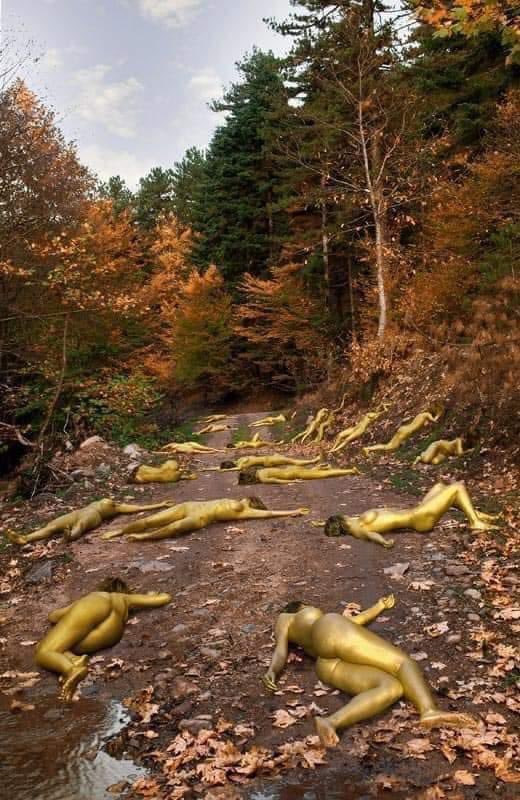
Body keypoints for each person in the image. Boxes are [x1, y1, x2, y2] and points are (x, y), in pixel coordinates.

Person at [263, 597, 478, 747]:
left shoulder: (297, 628)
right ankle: (429, 711)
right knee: (402, 663)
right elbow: (280, 650)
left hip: (325, 664)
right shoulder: (285, 617)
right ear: (300, 606)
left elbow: (354, 623)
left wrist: (378, 607)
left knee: (392, 688)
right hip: (331, 630)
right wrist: (272, 670)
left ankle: (331, 722)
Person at [35, 578, 171, 701]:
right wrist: (153, 595)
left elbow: (53, 617)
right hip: (113, 632)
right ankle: (75, 660)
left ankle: (70, 669)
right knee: (57, 647)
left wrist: (70, 609)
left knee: (43, 651)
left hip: (94, 606)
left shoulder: (97, 596)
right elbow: (164, 599)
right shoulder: (125, 599)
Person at [323, 481, 499, 548]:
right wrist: (384, 542)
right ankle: (475, 521)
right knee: (457, 487)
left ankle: (477, 514)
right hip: (419, 518)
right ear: (341, 521)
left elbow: (362, 524)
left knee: (438, 487)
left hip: (416, 512)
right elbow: (371, 534)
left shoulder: (355, 522)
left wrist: (319, 524)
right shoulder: (360, 528)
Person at [101, 497, 310, 542]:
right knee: (151, 519)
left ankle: (143, 538)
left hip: (201, 517)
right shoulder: (236, 500)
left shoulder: (245, 511)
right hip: (186, 505)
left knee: (174, 528)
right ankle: (120, 531)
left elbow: (269, 513)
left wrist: (293, 511)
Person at [5, 498, 172, 545]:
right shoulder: (103, 501)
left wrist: (160, 504)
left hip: (94, 514)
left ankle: (71, 536)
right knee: (52, 525)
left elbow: (136, 507)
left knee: (81, 525)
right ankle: (25, 538)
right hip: (79, 511)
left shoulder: (117, 506)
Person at [363, 410, 442, 455]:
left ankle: (370, 449)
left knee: (389, 446)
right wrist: (439, 414)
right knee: (390, 446)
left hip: (404, 428)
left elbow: (424, 424)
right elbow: (434, 421)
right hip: (406, 431)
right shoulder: (427, 415)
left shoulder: (420, 415)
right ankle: (368, 449)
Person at [239, 464, 360, 485]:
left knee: (325, 475)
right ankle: (317, 467)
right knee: (317, 472)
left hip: (294, 473)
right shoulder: (260, 471)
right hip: (291, 469)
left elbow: (276, 480)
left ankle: (351, 471)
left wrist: (291, 481)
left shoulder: (262, 478)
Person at [216, 454, 321, 472]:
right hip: (268, 460)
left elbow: (221, 468)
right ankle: (312, 461)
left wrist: (210, 469)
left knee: (290, 461)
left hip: (268, 460)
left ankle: (312, 461)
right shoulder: (241, 463)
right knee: (291, 461)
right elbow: (237, 468)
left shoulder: (239, 462)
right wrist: (225, 469)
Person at [132, 460, 196, 484]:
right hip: (170, 477)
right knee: (170, 466)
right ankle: (183, 470)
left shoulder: (141, 476)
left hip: (169, 477)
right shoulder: (141, 472)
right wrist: (187, 477)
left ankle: (184, 470)